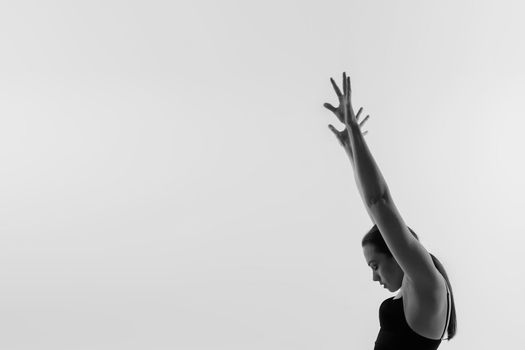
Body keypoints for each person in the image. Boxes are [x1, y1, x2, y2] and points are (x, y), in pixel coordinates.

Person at [323, 73, 457, 349]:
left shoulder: (426, 283)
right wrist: (351, 148)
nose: (375, 277)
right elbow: (374, 208)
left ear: (394, 253)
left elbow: (380, 203)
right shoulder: (416, 284)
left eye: (375, 266)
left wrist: (354, 129)